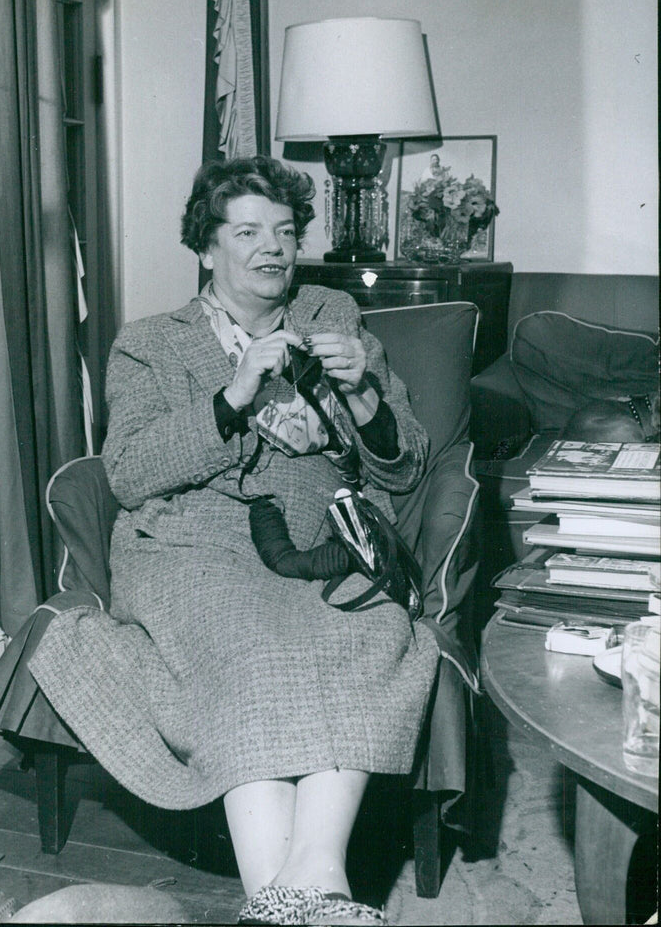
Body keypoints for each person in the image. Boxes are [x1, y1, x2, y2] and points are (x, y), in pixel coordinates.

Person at [29, 156, 439, 926]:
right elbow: (129, 473)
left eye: (285, 232)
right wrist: (232, 394)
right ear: (207, 246)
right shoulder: (151, 342)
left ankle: (308, 886)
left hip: (320, 536)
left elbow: (406, 465)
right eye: (248, 231)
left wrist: (363, 396)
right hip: (189, 540)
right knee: (249, 645)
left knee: (373, 628)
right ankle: (294, 896)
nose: (272, 249)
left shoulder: (334, 317)